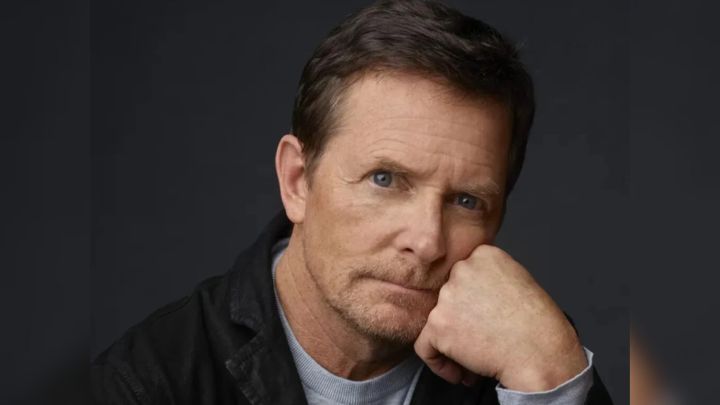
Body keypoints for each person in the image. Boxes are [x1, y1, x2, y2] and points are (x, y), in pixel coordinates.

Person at [92, 0, 613, 403]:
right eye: (385, 179)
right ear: (297, 181)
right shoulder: (148, 383)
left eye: (466, 200)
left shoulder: (533, 357)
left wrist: (550, 382)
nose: (427, 241)